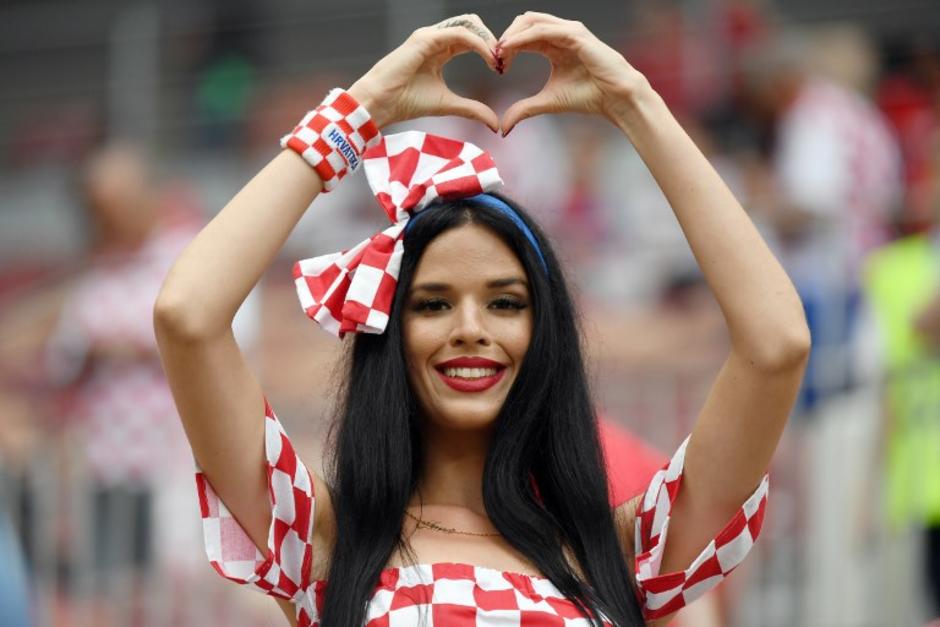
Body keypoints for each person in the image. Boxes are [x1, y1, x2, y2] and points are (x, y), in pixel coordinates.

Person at [154, 13, 809, 626]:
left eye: (506, 302)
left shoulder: (620, 552)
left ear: (544, 334)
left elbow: (776, 344)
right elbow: (188, 316)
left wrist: (635, 103)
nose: (471, 328)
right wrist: (360, 111)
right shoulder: (327, 542)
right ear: (388, 333)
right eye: (433, 303)